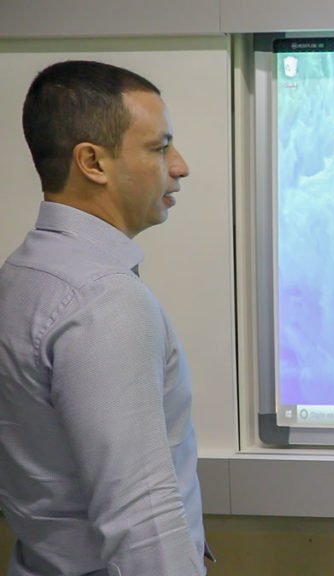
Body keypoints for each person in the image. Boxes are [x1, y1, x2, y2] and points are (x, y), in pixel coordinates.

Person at [0, 61, 211, 574]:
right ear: (92, 162)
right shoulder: (103, 301)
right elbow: (143, 519)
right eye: (159, 148)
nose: (180, 166)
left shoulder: (24, 274)